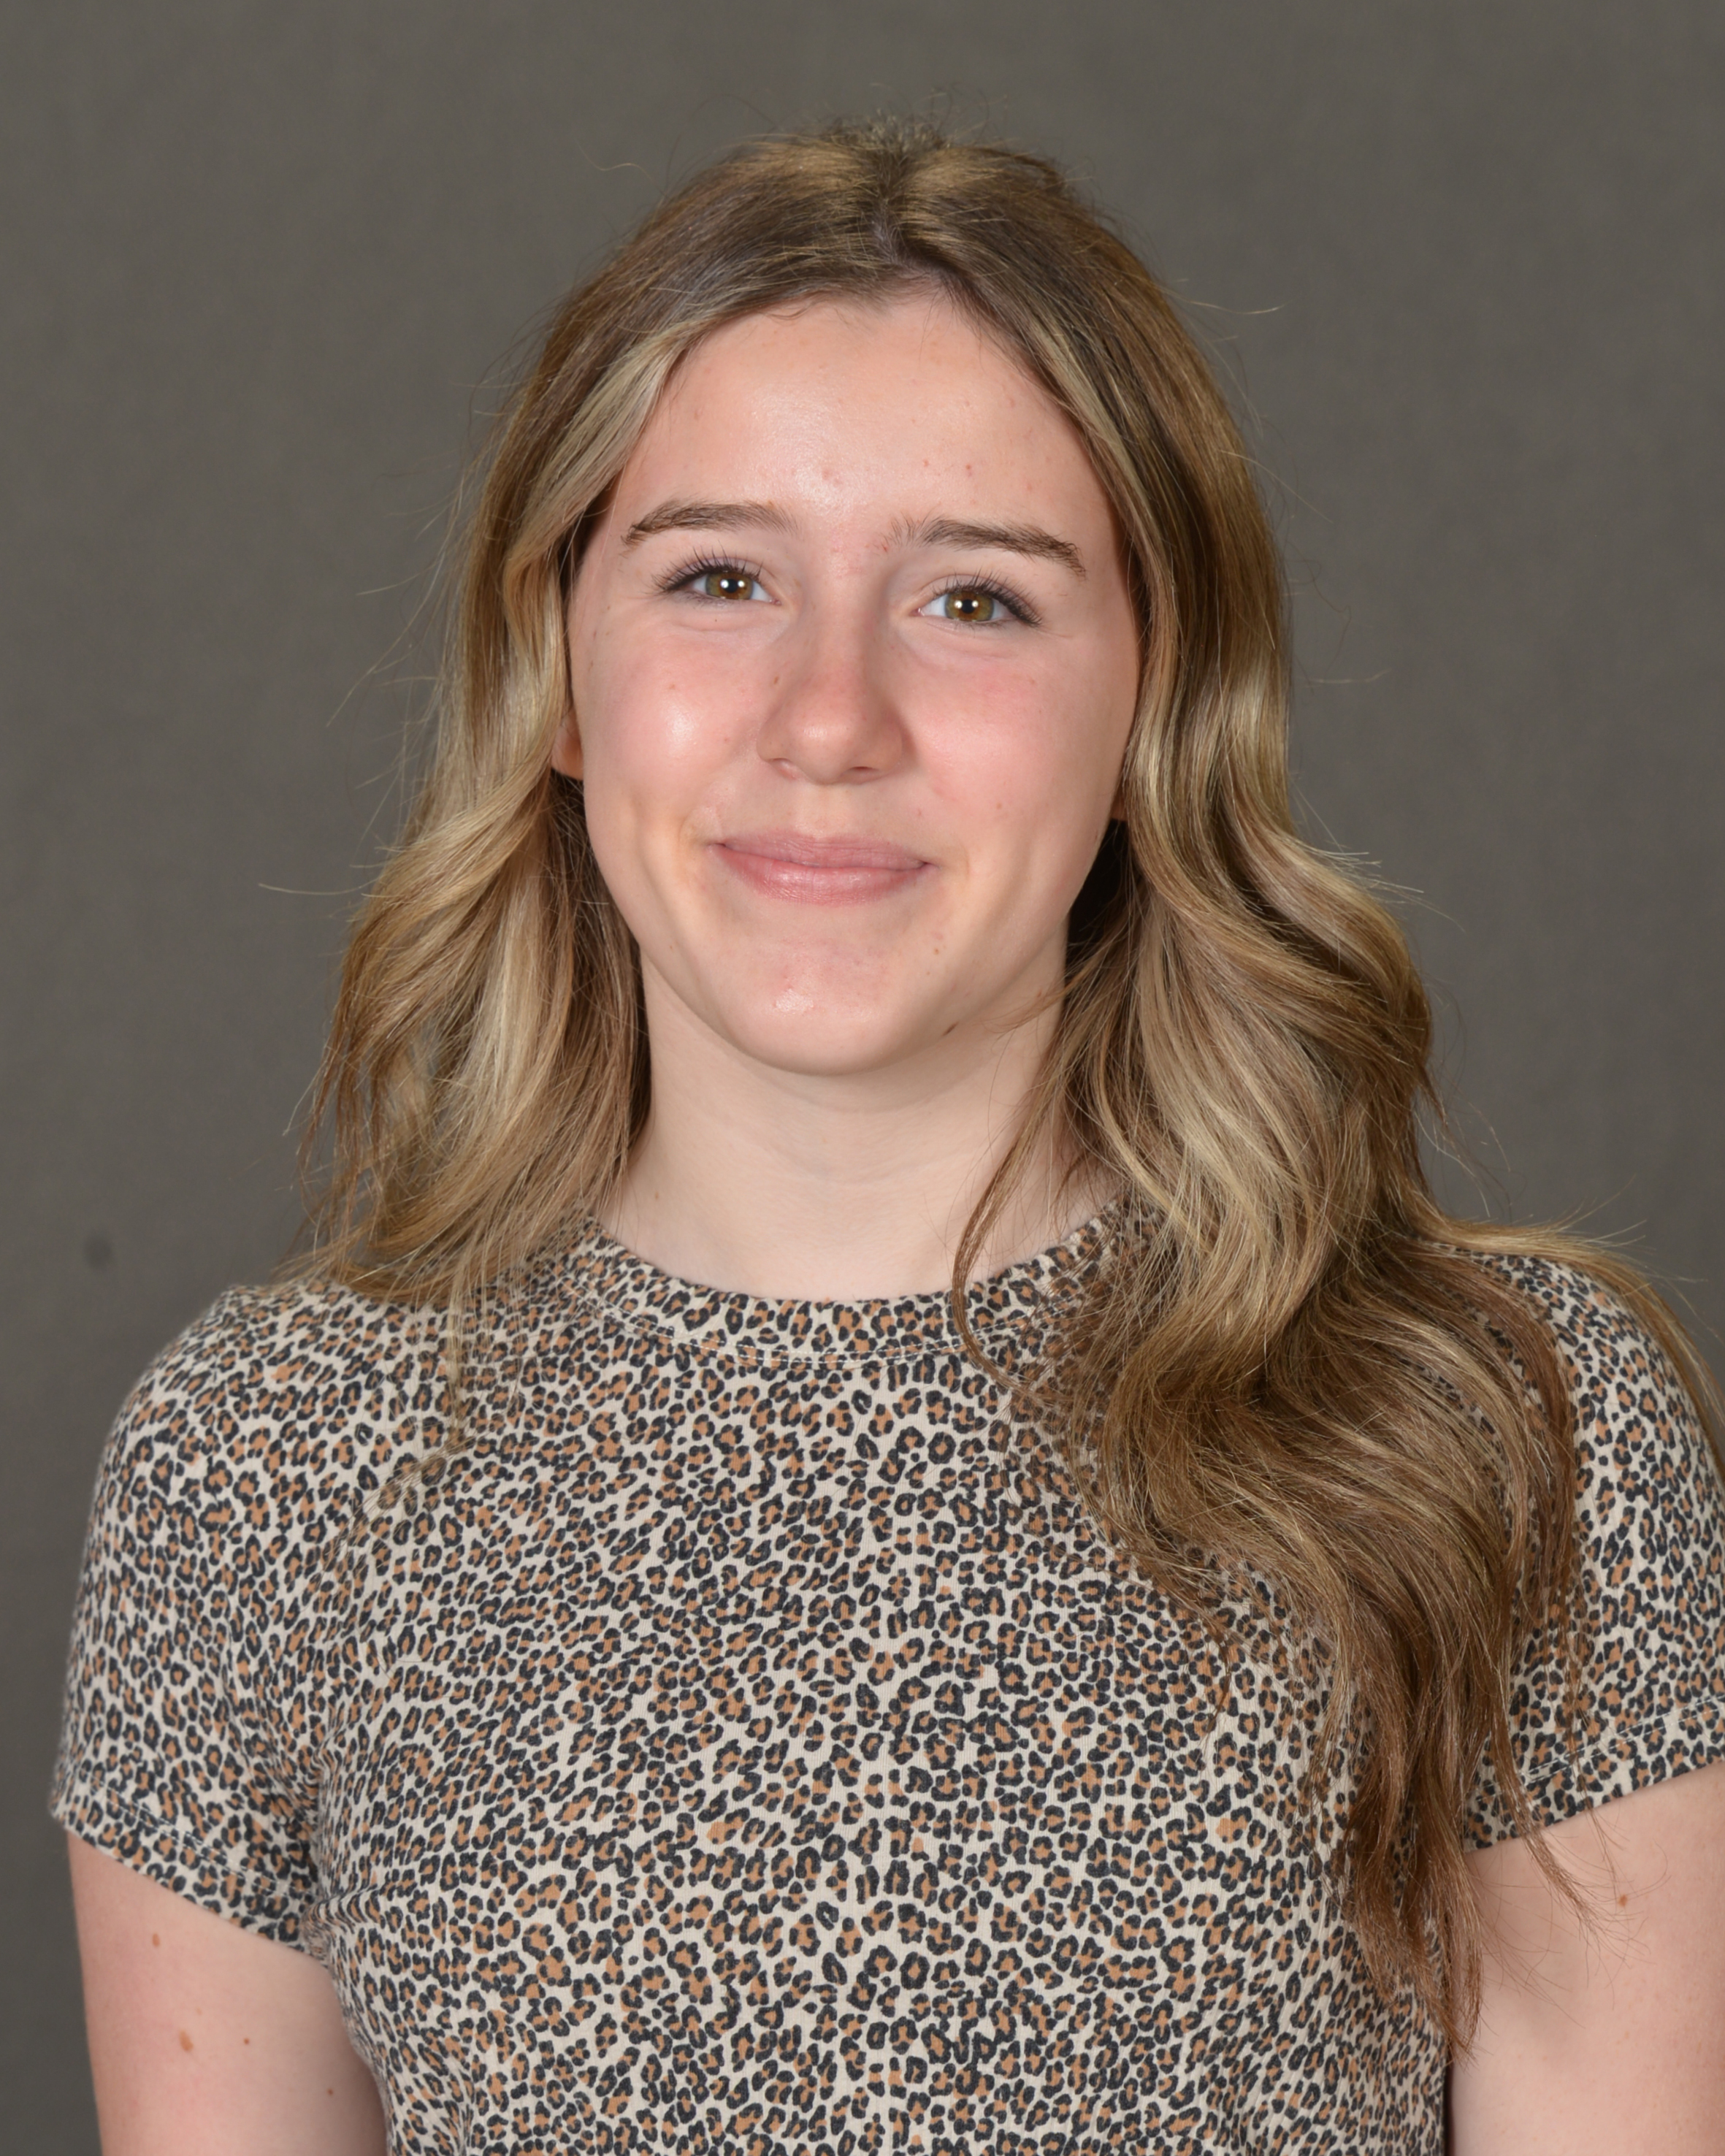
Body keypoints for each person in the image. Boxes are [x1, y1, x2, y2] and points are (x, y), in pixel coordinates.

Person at [55, 118, 1725, 2155]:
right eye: (720, 578)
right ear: (559, 671)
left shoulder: (1499, 1444)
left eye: (974, 600)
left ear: (1154, 704)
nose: (829, 719)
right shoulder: (263, 1477)